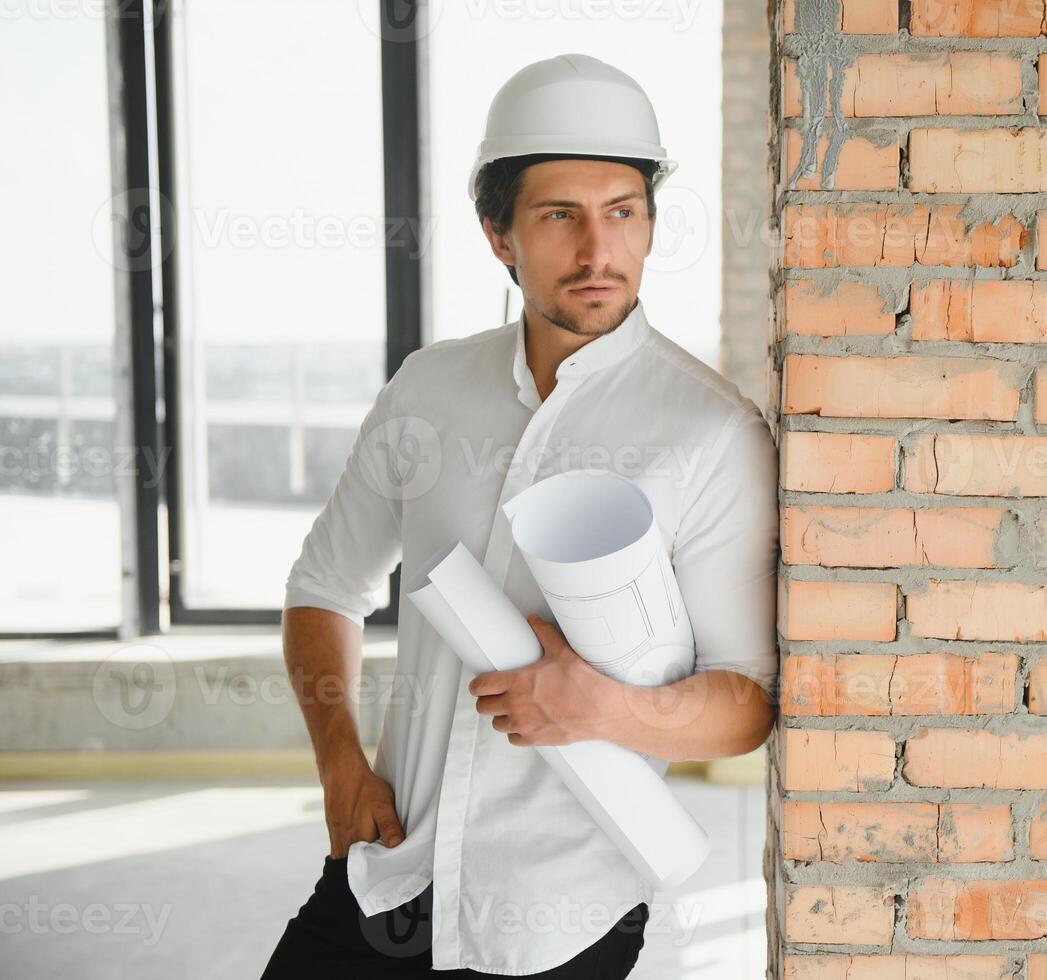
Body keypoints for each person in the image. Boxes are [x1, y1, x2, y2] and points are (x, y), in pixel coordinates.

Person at [261, 52, 778, 979]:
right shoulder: (429, 388)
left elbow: (743, 706)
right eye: (558, 217)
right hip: (385, 868)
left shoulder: (711, 432)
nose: (597, 251)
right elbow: (323, 586)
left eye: (623, 212)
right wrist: (338, 761)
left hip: (561, 915)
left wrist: (606, 708)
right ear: (499, 236)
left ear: (653, 223)